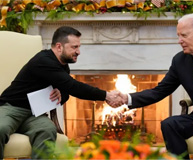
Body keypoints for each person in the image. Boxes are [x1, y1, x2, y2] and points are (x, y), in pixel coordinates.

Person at [111, 13, 193, 159]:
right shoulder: (180, 61)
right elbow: (159, 91)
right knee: (169, 124)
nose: (179, 41)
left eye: (184, 35)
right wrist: (126, 98)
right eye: (178, 36)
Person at [0, 26, 122, 159]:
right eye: (74, 47)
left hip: (34, 114)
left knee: (47, 130)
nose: (79, 52)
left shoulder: (63, 65)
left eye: (78, 47)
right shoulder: (44, 60)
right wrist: (106, 95)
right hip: (11, 108)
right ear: (59, 47)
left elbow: (65, 93)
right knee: (1, 128)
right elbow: (73, 86)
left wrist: (60, 94)